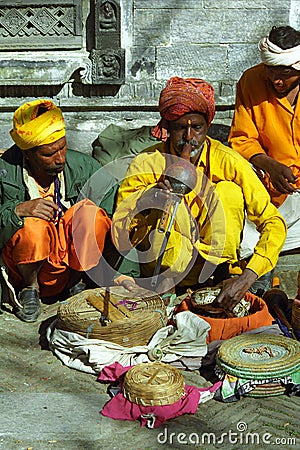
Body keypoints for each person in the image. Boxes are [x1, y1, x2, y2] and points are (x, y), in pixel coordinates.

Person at [111, 76, 287, 311]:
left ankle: (221, 276)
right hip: (164, 275)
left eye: (197, 128)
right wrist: (148, 199)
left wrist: (248, 276)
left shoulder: (228, 160)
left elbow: (273, 222)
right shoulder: (147, 163)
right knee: (163, 201)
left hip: (215, 272)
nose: (189, 138)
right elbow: (119, 229)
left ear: (208, 126)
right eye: (181, 128)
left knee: (228, 192)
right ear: (167, 128)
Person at [0, 99, 130, 323]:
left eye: (62, 148)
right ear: (28, 154)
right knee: (32, 224)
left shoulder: (82, 166)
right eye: (49, 154)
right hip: (23, 269)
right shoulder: (5, 172)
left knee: (89, 214)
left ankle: (75, 283)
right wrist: (17, 210)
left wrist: (121, 276)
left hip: (68, 267)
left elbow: (118, 220)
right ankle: (30, 290)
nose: (60, 158)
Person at [229, 25, 300, 260]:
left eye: (285, 73)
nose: (276, 80)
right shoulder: (251, 81)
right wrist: (269, 165)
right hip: (268, 186)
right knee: (246, 236)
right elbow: (242, 138)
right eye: (271, 71)